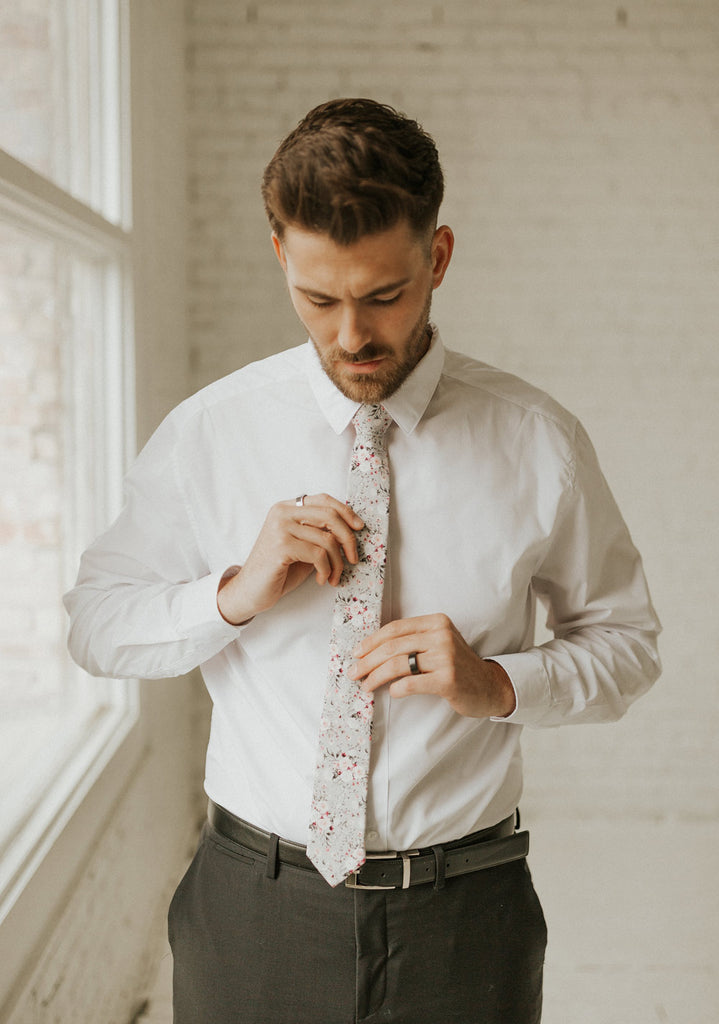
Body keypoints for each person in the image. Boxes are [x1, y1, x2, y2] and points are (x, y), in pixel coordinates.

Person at [64, 98, 661, 1023]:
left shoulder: (537, 442)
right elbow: (96, 627)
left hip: (466, 914)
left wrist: (495, 682)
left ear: (438, 257)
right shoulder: (213, 434)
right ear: (280, 257)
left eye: (383, 295)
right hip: (252, 906)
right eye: (319, 298)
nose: (351, 336)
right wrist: (231, 594)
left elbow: (624, 644)